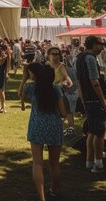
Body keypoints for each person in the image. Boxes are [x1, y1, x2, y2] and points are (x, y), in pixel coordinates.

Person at [22, 63, 66, 201]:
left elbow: (21, 96)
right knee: (54, 163)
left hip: (37, 125)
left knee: (37, 163)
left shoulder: (30, 88)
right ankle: (54, 190)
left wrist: (24, 78)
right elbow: (64, 113)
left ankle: (41, 196)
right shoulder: (56, 89)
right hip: (54, 125)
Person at [76, 35, 106, 173]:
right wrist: (103, 100)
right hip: (95, 99)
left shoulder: (80, 58)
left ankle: (89, 162)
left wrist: (83, 99)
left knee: (91, 131)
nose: (102, 48)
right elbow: (94, 81)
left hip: (87, 99)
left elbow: (79, 81)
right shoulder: (90, 58)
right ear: (94, 45)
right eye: (101, 45)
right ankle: (98, 164)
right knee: (99, 132)